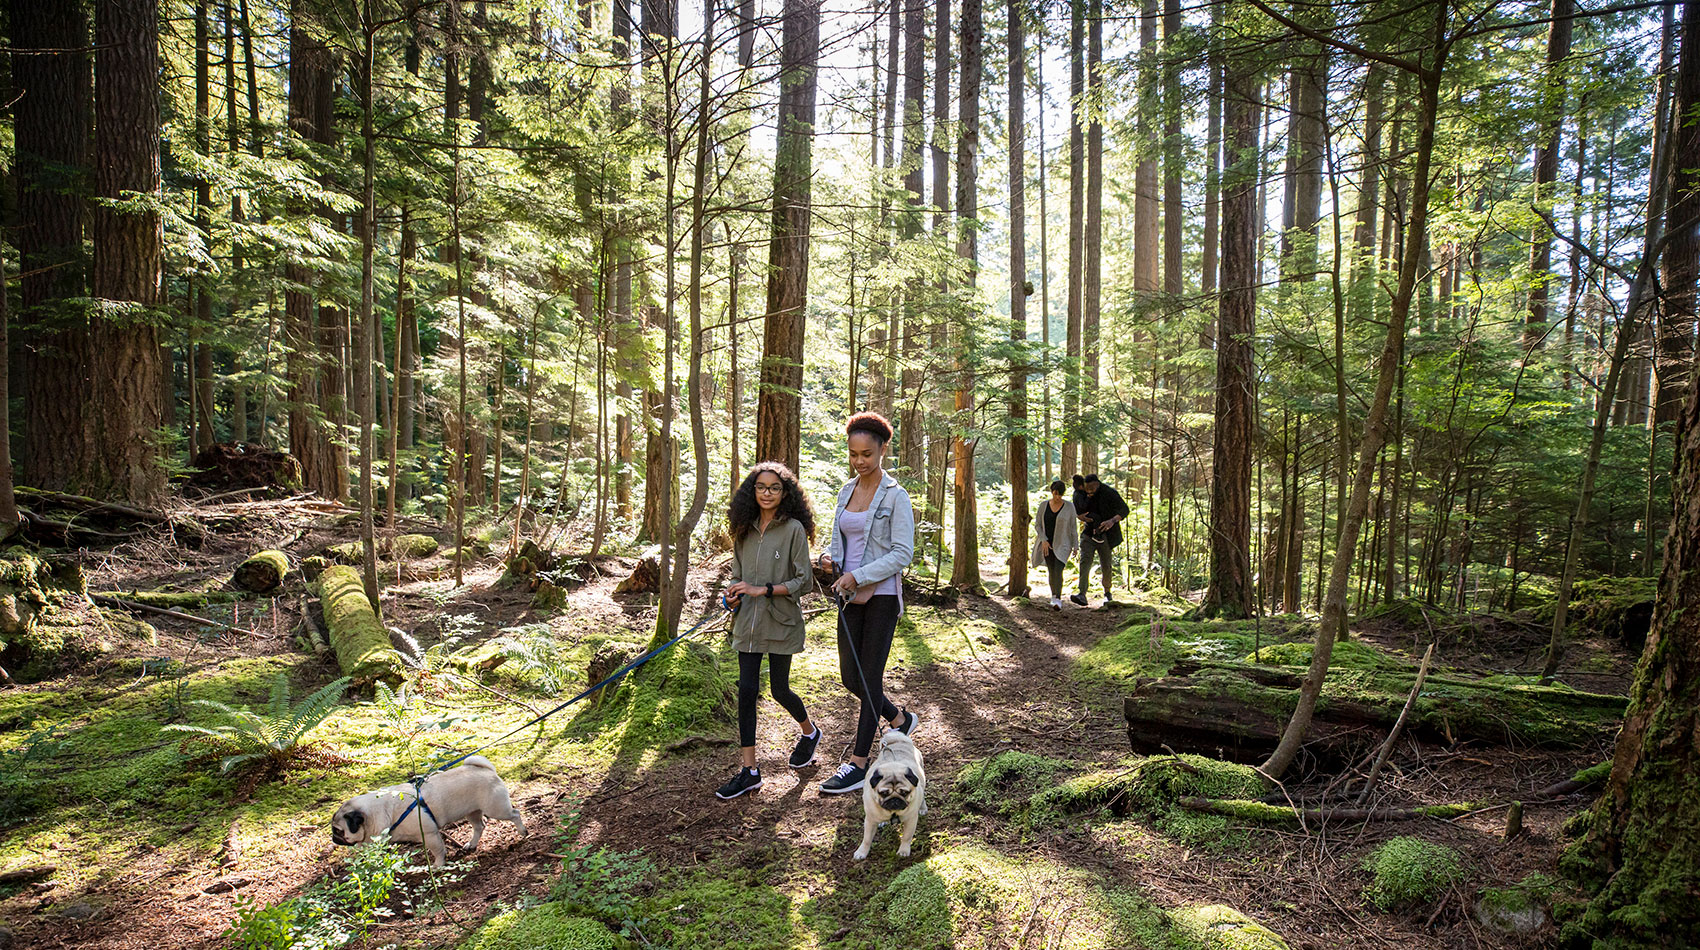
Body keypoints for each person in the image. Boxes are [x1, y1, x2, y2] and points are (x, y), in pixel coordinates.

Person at [816, 411, 919, 794]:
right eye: (854, 454)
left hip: (881, 596)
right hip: (847, 595)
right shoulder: (846, 490)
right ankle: (898, 718)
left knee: (870, 676)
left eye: (867, 454)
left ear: (882, 450)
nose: (860, 461)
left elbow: (901, 553)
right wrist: (831, 560)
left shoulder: (896, 496)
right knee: (851, 677)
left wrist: (858, 575)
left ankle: (859, 763)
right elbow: (838, 538)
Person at [715, 462, 821, 800]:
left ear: (785, 492)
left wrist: (766, 589)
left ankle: (809, 732)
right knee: (746, 691)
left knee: (779, 690)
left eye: (774, 487)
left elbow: (804, 580)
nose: (767, 493)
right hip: (746, 623)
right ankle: (750, 770)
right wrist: (732, 593)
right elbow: (736, 573)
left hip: (781, 621)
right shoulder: (743, 529)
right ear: (752, 490)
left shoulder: (793, 530)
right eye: (761, 486)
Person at [1071, 473, 1129, 607]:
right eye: (1087, 488)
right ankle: (1082, 593)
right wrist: (1079, 516)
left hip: (1106, 535)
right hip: (1088, 533)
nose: (1089, 491)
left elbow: (1125, 509)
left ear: (1097, 484)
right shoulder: (1082, 492)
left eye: (1092, 488)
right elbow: (1077, 507)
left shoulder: (1109, 493)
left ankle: (1108, 593)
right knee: (1085, 561)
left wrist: (1112, 521)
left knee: (1106, 565)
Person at [1031, 480, 1079, 610]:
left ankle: (1058, 598)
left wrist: (1076, 545)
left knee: (1058, 570)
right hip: (1046, 544)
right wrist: (1044, 540)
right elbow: (1038, 525)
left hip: (1063, 544)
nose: (1057, 497)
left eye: (1060, 494)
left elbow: (1073, 527)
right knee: (1051, 571)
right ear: (1052, 492)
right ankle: (1053, 596)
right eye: (1055, 494)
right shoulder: (1043, 506)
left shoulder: (1069, 507)